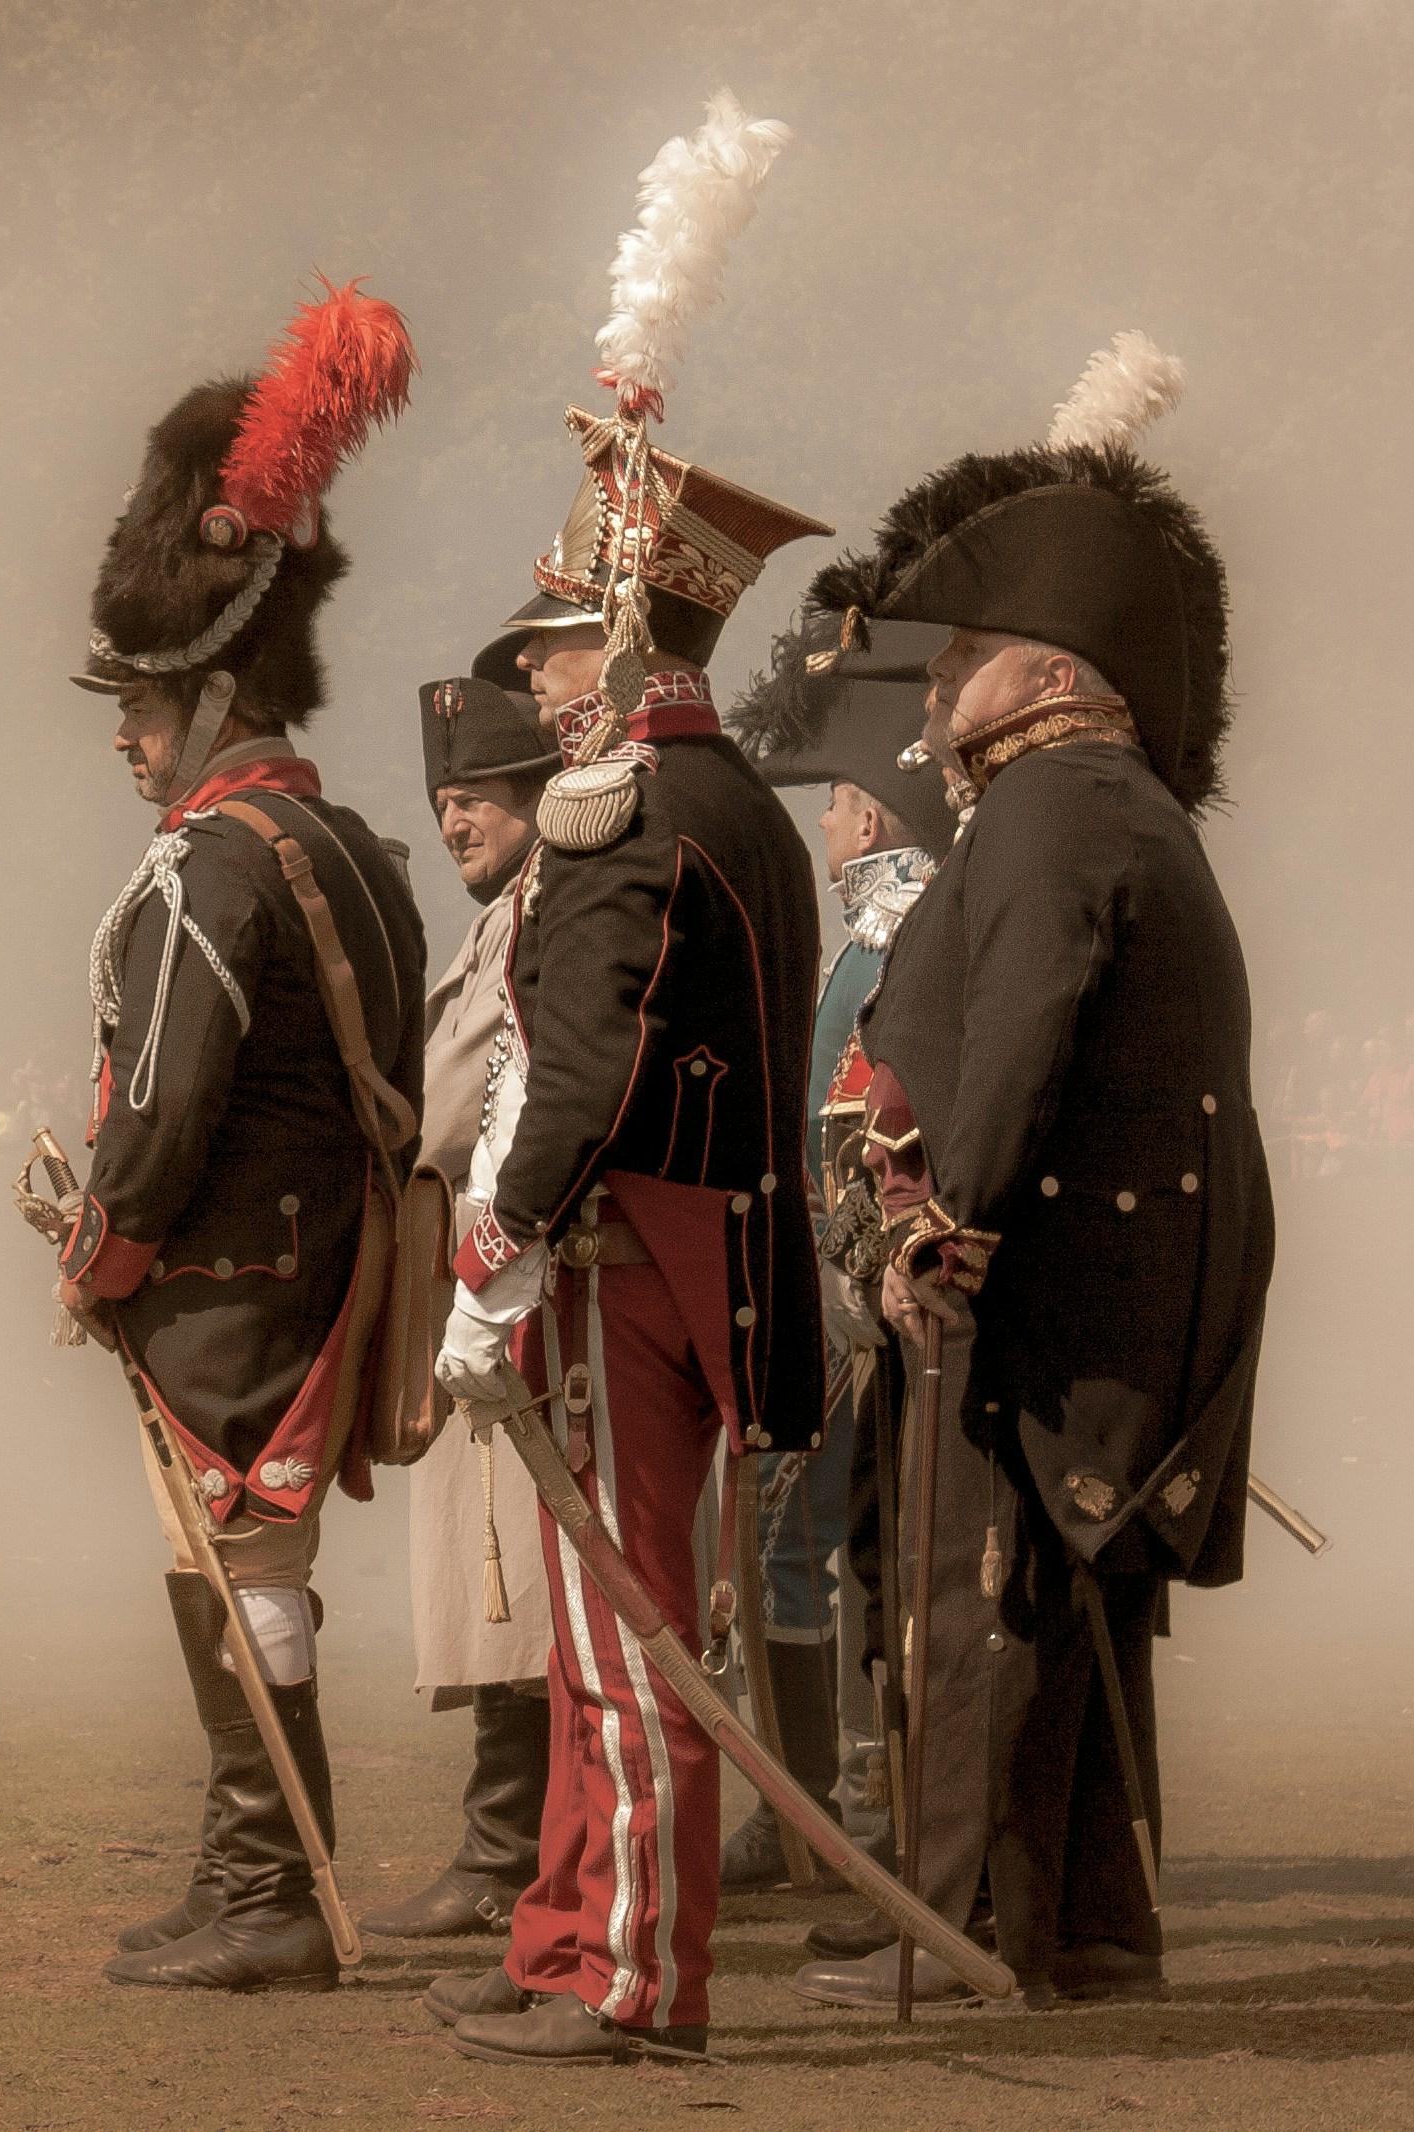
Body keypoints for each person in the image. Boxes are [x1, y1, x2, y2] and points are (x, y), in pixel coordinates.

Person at [788, 398, 1275, 2010]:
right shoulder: (1111, 805)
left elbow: (1025, 1033)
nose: (929, 697)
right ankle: (1094, 1933)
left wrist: (949, 1218)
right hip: (1132, 1275)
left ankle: (962, 1938)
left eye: (960, 662)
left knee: (979, 1607)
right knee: (1080, 1613)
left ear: (1055, 675)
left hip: (1047, 1275)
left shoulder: (1056, 807)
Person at [426, 404, 829, 2060]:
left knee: (620, 1626)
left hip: (621, 1272)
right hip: (694, 1267)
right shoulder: (725, 796)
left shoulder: (625, 805)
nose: (531, 681)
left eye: (555, 642)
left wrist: (494, 1241)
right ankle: (565, 1931)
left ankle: (635, 1973)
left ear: (628, 635)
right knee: (609, 1620)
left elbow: (581, 1067)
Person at [47, 283, 427, 1993]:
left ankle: (268, 1883)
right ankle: (249, 1868)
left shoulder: (216, 861)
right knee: (240, 1556)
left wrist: (102, 1246)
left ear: (210, 692)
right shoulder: (337, 835)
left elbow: (170, 1099)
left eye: (141, 698)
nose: (124, 728)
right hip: (302, 1256)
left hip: (229, 1269)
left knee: (237, 1555)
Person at [715, 602, 957, 1892]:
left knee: (801, 1548)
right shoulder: (896, 928)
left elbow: (850, 1135)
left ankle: (823, 1816)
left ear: (865, 814)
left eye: (829, 806)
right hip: (850, 1297)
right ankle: (834, 1808)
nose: (817, 826)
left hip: (847, 1308)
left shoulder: (883, 936)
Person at [358, 676, 559, 1943]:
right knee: (496, 1576)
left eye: (475, 798)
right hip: (469, 1268)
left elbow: (463, 1100)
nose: (452, 823)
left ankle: (507, 1850)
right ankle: (505, 1838)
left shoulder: (537, 913)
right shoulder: (496, 922)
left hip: (504, 1279)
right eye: (441, 802)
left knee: (512, 1582)